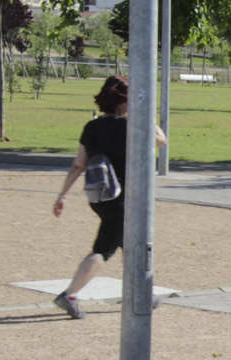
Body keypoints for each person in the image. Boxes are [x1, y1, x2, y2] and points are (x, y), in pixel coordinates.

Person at [52, 76, 166, 319]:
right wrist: (144, 114)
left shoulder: (91, 127)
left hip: (99, 197)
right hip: (123, 200)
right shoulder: (132, 126)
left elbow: (78, 165)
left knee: (130, 245)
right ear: (126, 101)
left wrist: (62, 194)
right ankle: (69, 294)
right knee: (102, 251)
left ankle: (138, 293)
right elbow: (160, 139)